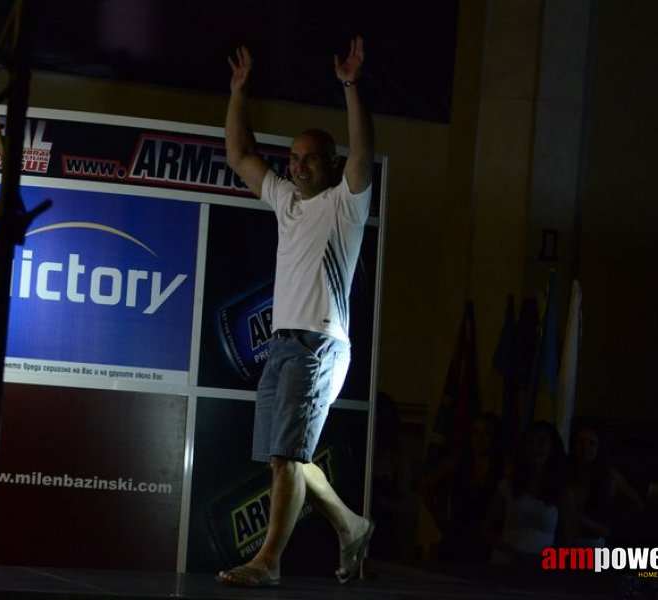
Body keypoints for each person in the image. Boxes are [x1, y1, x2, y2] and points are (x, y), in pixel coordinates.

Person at [216, 36, 375, 588]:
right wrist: (239, 93)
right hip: (281, 344)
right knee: (289, 457)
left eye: (310, 157)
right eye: (294, 157)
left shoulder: (346, 205)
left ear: (329, 165)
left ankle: (269, 562)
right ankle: (352, 525)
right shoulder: (284, 200)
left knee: (287, 454)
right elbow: (239, 155)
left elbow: (362, 153)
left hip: (320, 344)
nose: (299, 165)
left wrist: (350, 87)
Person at [479, 420, 575, 565]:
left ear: (551, 448)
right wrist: (511, 551)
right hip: (505, 561)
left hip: (542, 566)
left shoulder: (562, 492)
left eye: (541, 442)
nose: (534, 447)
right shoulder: (508, 486)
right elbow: (485, 530)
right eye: (530, 441)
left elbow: (567, 543)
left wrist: (541, 559)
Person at [417, 412, 507, 562]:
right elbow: (423, 486)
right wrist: (438, 517)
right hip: (457, 537)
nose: (480, 438)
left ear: (495, 437)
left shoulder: (504, 468)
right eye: (475, 432)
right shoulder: (456, 464)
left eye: (486, 433)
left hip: (488, 541)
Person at [564, 421, 643, 548]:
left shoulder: (607, 475)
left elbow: (636, 503)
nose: (585, 446)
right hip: (563, 541)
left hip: (592, 542)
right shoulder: (565, 471)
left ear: (599, 447)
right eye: (581, 441)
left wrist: (612, 523)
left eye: (591, 443)